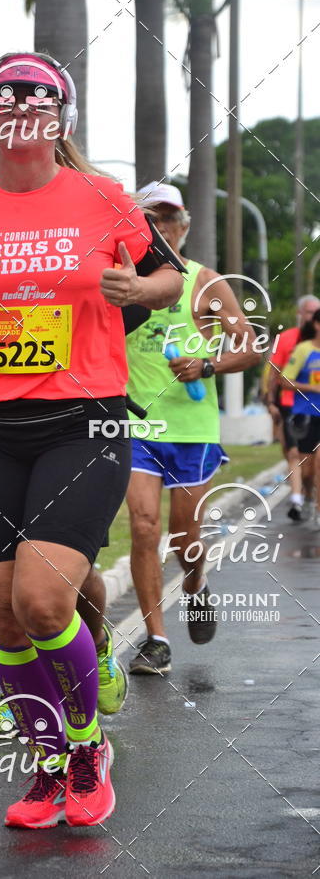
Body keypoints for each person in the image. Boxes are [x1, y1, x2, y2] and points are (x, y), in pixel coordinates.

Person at [0, 51, 183, 829]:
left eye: (37, 101)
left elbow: (169, 279)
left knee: (44, 599)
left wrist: (136, 287)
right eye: (6, 99)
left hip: (83, 422)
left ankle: (87, 749)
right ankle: (48, 762)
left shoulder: (102, 196)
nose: (20, 111)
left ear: (60, 118)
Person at [125, 182, 262, 676]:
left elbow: (250, 346)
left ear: (183, 227)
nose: (160, 228)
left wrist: (207, 366)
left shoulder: (205, 283)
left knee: (185, 538)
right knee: (143, 526)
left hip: (191, 430)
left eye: (168, 219)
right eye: (150, 219)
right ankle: (156, 640)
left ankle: (195, 581)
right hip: (136, 426)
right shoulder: (121, 281)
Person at [267, 295, 320, 520]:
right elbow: (277, 375)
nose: (311, 316)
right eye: (309, 312)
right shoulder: (294, 343)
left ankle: (309, 502)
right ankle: (302, 495)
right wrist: (270, 401)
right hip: (297, 408)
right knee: (299, 459)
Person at [280, 307, 320, 529]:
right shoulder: (304, 350)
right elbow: (285, 380)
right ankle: (306, 494)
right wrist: (311, 387)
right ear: (317, 325)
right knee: (307, 469)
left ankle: (318, 510)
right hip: (306, 413)